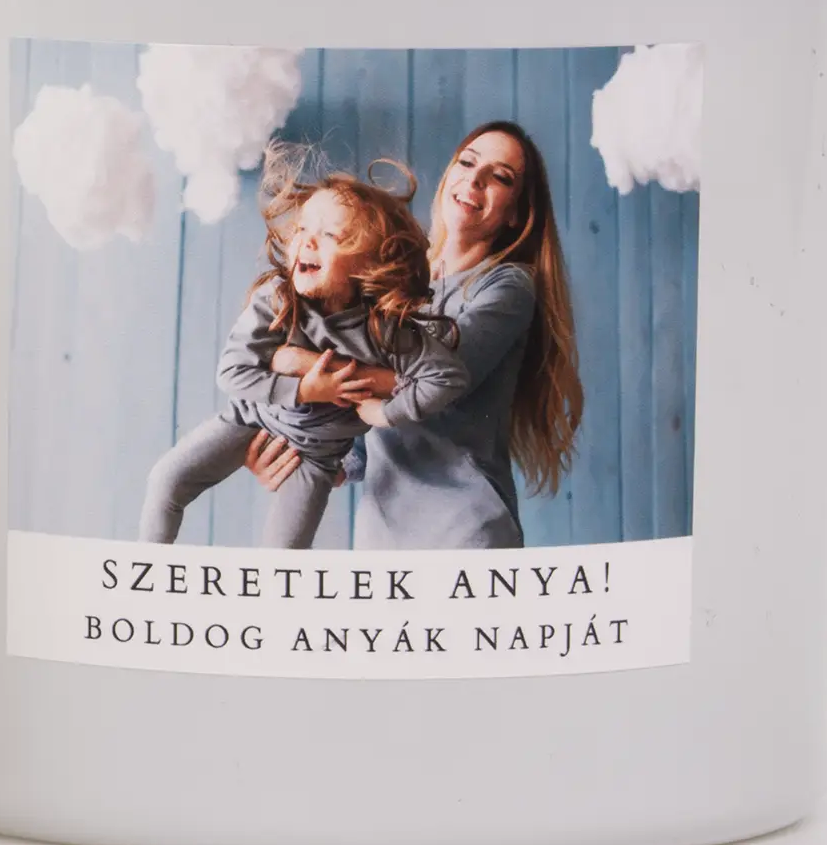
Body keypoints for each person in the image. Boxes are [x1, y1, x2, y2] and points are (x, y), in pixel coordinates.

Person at [245, 120, 582, 550]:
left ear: (517, 213)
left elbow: (445, 380)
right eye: (467, 162)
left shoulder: (507, 285)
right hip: (380, 540)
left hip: (465, 534)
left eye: (500, 177)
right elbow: (362, 430)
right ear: (448, 176)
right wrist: (297, 458)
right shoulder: (396, 280)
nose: (474, 180)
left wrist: (294, 362)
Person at [139, 162, 465, 551]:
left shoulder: (386, 329)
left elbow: (448, 378)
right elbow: (232, 373)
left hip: (316, 456)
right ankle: (148, 564)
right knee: (166, 479)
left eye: (330, 235)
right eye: (302, 229)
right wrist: (305, 390)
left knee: (284, 555)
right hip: (251, 419)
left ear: (369, 263)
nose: (307, 241)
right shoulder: (278, 300)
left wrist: (384, 413)